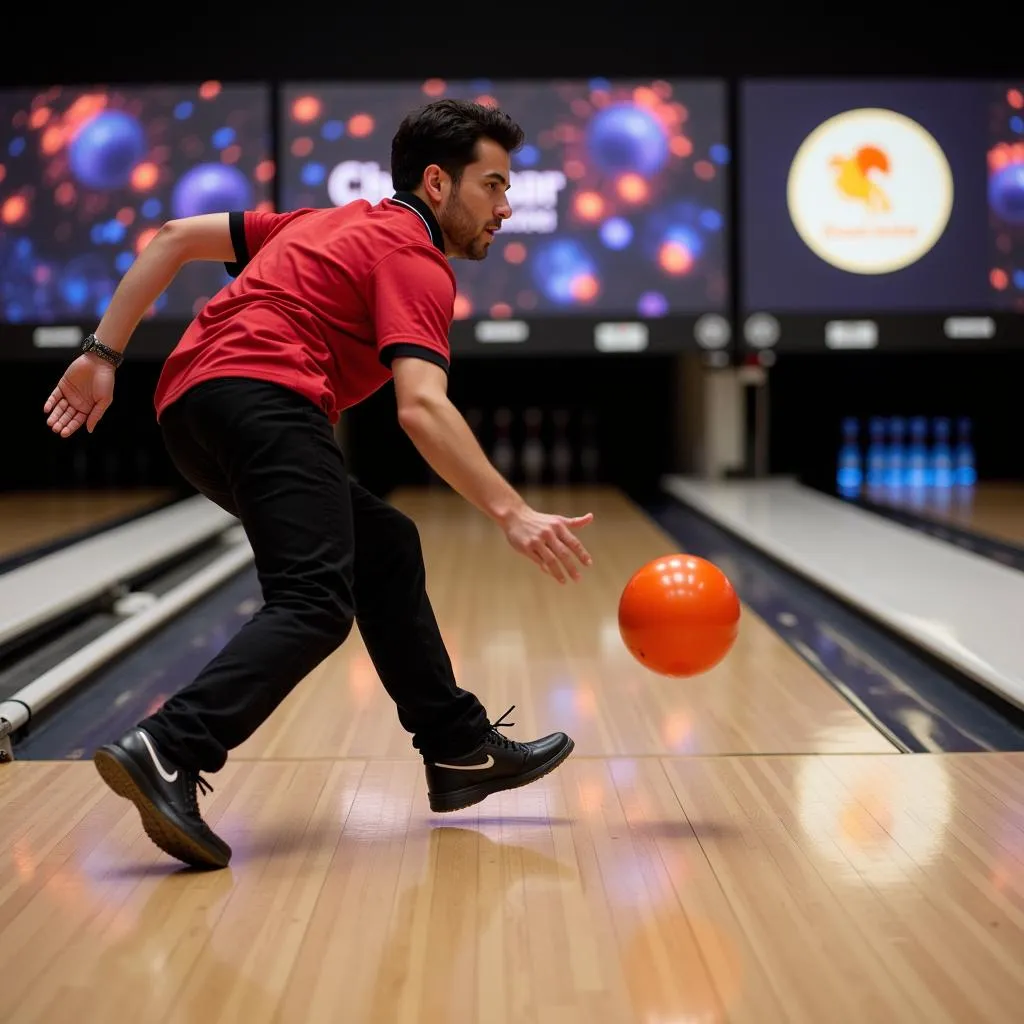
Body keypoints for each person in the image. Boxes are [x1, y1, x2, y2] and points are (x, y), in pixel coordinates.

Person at [42, 99, 594, 871]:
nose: (506, 208)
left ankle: (457, 747)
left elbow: (171, 239)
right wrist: (512, 511)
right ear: (436, 184)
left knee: (386, 546)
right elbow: (421, 407)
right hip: (266, 399)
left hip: (188, 411)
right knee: (313, 603)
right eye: (494, 186)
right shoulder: (414, 260)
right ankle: (171, 746)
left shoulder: (320, 222)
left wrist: (103, 354)